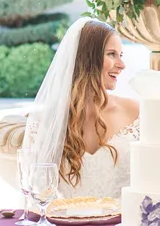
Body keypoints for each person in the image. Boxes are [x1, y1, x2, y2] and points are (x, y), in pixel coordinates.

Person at [20, 17, 140, 196]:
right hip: (65, 221)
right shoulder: (45, 121)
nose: (122, 65)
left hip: (122, 223)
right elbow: (34, 191)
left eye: (120, 55)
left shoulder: (134, 112)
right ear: (87, 58)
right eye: (112, 54)